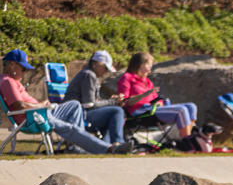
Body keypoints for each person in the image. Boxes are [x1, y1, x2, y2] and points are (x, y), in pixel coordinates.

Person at [0, 49, 132, 154]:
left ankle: (75, 146)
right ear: (12, 65)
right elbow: (19, 105)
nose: (24, 72)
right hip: (35, 117)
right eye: (23, 68)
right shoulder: (7, 81)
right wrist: (42, 104)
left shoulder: (11, 81)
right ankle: (109, 148)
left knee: (74, 105)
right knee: (70, 128)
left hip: (38, 113)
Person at [117, 52, 198, 138]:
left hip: (153, 109)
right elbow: (126, 101)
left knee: (191, 106)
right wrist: (144, 95)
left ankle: (189, 136)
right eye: (149, 65)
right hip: (141, 112)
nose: (150, 68)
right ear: (141, 65)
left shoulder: (147, 81)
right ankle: (187, 141)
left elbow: (156, 98)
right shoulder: (127, 78)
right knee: (181, 110)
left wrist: (160, 102)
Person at [63, 50, 128, 149]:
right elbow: (89, 104)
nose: (106, 72)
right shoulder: (88, 75)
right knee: (117, 111)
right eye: (105, 68)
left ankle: (106, 147)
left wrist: (110, 101)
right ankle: (118, 143)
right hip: (79, 115)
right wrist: (113, 102)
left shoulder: (89, 74)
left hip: (80, 113)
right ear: (96, 64)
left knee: (112, 114)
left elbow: (94, 101)